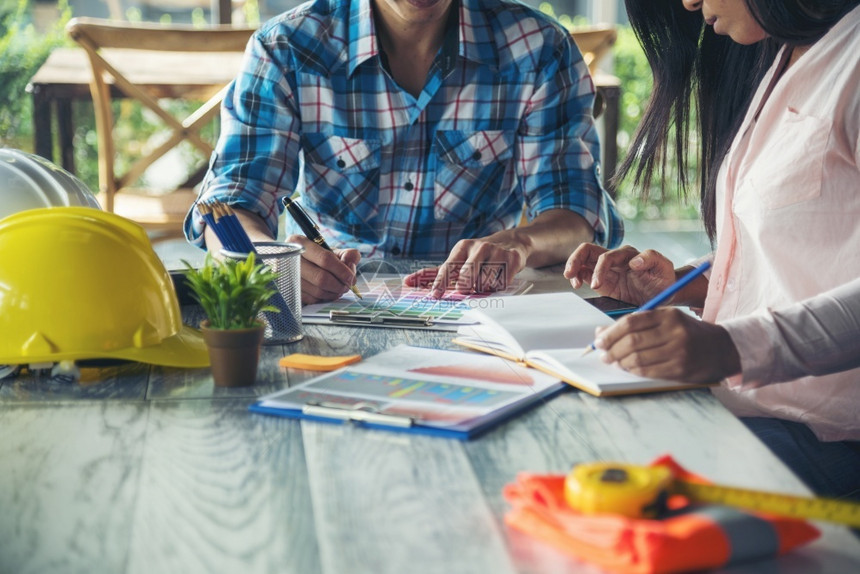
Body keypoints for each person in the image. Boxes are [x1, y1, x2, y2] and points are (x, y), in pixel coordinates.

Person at [564, 0, 860, 502]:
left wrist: (730, 346)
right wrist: (691, 284)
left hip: (829, 435)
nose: (688, 3)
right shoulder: (784, 58)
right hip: (750, 407)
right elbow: (813, 249)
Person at [184, 0, 623, 303]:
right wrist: (271, 263)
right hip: (337, 301)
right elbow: (228, 207)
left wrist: (520, 242)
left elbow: (575, 215)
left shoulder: (540, 48)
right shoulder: (286, 48)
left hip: (486, 304)